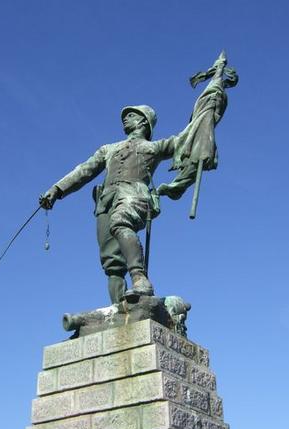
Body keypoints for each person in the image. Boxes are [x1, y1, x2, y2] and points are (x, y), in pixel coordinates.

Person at [39, 105, 184, 304]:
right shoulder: (108, 149)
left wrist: (209, 106)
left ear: (144, 122)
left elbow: (186, 139)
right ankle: (118, 308)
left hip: (133, 195)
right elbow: (84, 170)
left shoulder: (155, 147)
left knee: (121, 221)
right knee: (111, 262)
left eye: (131, 115)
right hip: (105, 201)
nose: (125, 119)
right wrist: (57, 189)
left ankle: (139, 279)